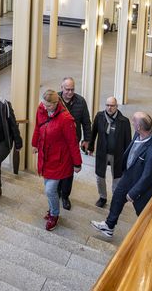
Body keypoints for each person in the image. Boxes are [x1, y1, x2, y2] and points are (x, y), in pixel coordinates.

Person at [91, 111, 152, 238]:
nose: (132, 121)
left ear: (139, 127)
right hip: (129, 175)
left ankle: (149, 236)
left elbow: (148, 177)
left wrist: (133, 193)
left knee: (144, 214)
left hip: (141, 186)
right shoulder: (139, 133)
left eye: (134, 120)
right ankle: (109, 226)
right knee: (117, 198)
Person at [32, 89, 82, 231]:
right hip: (45, 156)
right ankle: (52, 209)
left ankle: (54, 214)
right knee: (49, 189)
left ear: (56, 103)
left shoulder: (66, 119)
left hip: (60, 159)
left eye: (48, 106)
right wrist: (35, 144)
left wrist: (77, 163)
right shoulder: (42, 109)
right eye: (44, 104)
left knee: (49, 190)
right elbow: (38, 127)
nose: (45, 108)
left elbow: (73, 142)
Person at [88, 97, 131, 208]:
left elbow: (128, 141)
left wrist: (128, 158)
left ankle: (115, 199)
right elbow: (94, 133)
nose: (109, 108)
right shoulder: (99, 117)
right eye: (107, 105)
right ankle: (102, 197)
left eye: (112, 105)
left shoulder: (124, 121)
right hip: (102, 153)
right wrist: (91, 147)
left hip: (117, 154)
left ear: (116, 106)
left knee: (117, 177)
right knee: (99, 176)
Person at [57, 76, 91, 210]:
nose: (70, 92)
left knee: (68, 171)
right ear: (61, 88)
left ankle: (65, 196)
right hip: (57, 143)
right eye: (67, 89)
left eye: (72, 89)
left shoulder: (80, 102)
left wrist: (87, 140)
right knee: (57, 167)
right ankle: (56, 191)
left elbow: (86, 122)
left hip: (72, 143)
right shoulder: (55, 100)